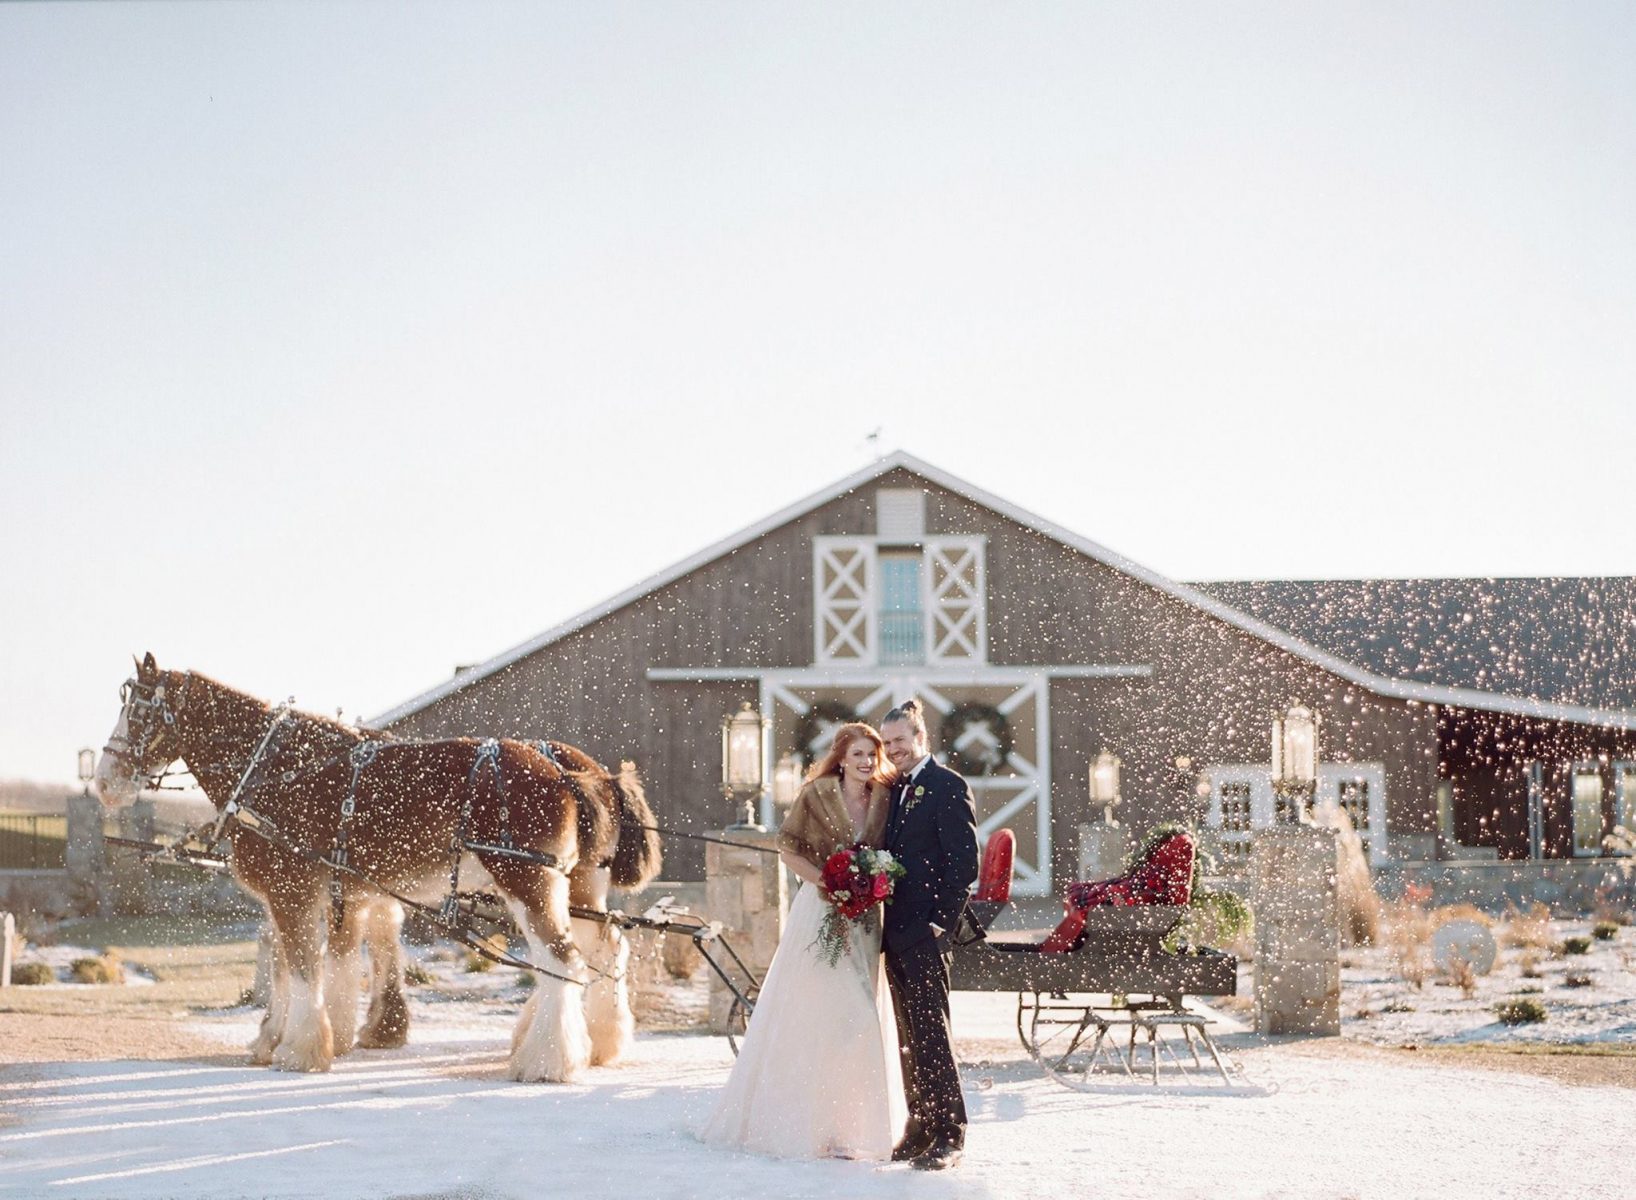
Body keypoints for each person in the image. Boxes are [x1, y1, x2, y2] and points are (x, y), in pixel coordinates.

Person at [697, 723, 906, 1160]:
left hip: (866, 919)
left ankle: (850, 1128)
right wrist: (829, 883)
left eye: (873, 754)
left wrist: (872, 882)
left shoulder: (886, 798)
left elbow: (890, 853)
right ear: (841, 758)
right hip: (822, 912)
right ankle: (812, 1125)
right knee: (826, 1015)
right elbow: (786, 846)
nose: (867, 762)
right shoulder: (816, 794)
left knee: (858, 1019)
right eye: (858, 755)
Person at [878, 699, 980, 1171]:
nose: (893, 749)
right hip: (894, 931)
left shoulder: (946, 786)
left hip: (925, 931)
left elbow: (963, 866)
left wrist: (939, 924)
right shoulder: (896, 789)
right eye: (887, 742)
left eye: (901, 740)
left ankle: (950, 1133)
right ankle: (919, 1125)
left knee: (933, 1033)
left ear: (921, 739)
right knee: (907, 1035)